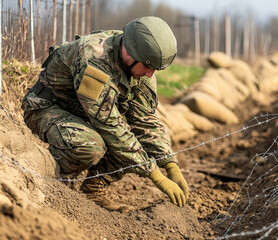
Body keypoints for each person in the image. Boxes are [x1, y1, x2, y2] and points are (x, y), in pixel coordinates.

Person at [21, 17, 189, 213]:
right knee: (92, 145)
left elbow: (146, 121)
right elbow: (109, 125)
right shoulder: (95, 60)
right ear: (131, 53)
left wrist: (170, 164)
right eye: (148, 67)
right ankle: (54, 181)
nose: (150, 74)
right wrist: (154, 174)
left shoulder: (141, 68)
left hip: (85, 114)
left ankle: (93, 189)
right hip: (47, 109)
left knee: (133, 141)